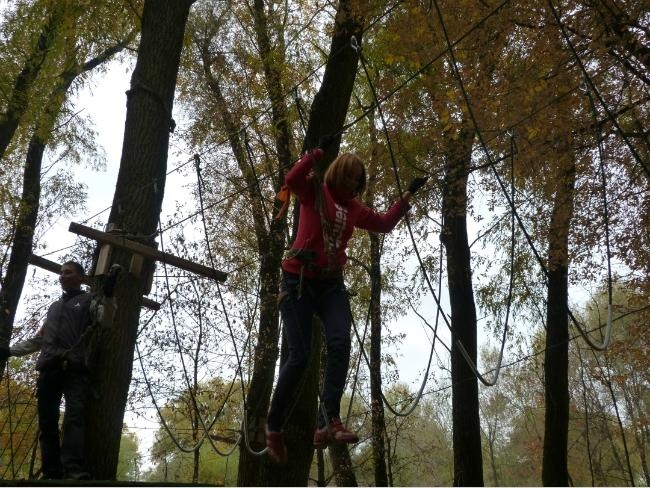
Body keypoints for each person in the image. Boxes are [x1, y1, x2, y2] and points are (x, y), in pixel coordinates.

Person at [264, 147, 427, 464]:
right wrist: (312, 155)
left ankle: (327, 421)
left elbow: (384, 223)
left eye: (358, 179)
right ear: (337, 174)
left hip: (330, 285)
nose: (353, 183)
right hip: (298, 280)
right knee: (299, 356)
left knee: (340, 342)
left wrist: (407, 196)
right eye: (349, 177)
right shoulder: (314, 192)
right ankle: (273, 425)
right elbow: (292, 179)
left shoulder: (354, 208)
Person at [0, 261, 119, 480]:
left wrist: (109, 295)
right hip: (49, 369)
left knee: (74, 417)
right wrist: (10, 351)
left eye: (68, 272)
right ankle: (51, 471)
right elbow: (39, 340)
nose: (62, 276)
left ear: (81, 278)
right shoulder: (54, 308)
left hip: (74, 369)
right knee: (47, 421)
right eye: (61, 273)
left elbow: (106, 320)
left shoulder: (89, 301)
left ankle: (72, 468)